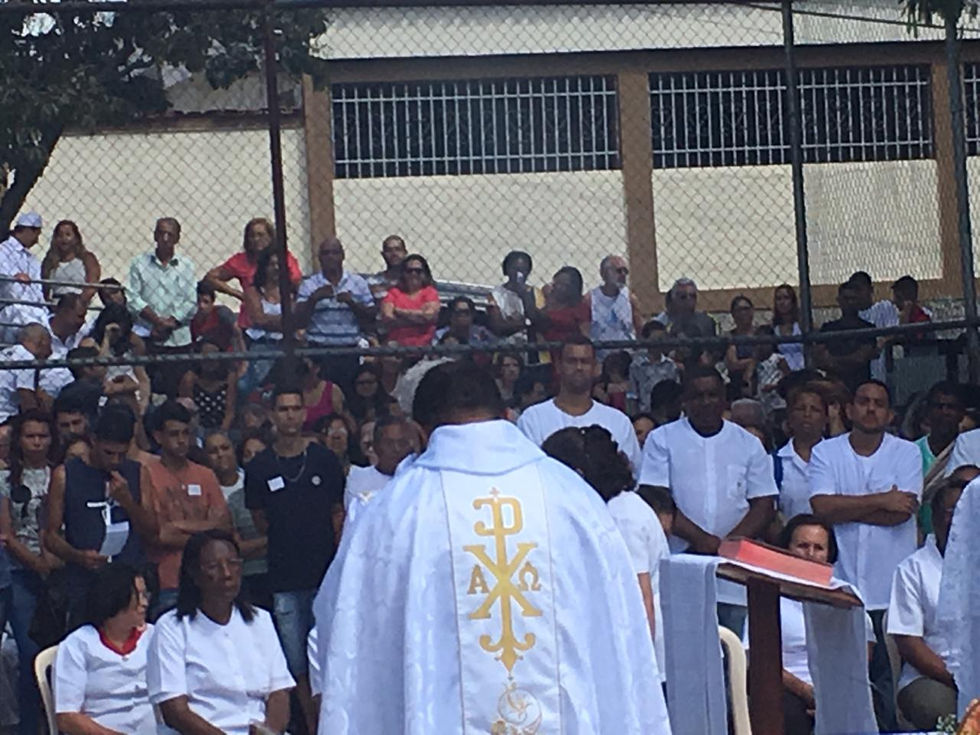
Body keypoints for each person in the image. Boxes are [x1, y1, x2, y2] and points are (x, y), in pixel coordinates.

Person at [312, 360, 670, 732]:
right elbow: (619, 631)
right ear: (505, 416)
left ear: (419, 432)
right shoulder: (573, 499)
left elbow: (345, 630)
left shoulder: (393, 513)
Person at [808, 379, 922, 730]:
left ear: (890, 414)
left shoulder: (906, 453)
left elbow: (902, 512)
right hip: (841, 587)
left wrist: (845, 507)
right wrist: (882, 500)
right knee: (846, 682)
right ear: (849, 409)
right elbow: (821, 507)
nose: (871, 408)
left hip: (891, 590)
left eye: (879, 403)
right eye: (863, 401)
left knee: (888, 685)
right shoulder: (825, 453)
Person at [639, 366, 777, 633]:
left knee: (734, 650)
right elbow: (657, 499)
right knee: (684, 647)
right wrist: (703, 541)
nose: (705, 402)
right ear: (684, 400)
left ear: (724, 399)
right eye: (697, 396)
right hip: (682, 561)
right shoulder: (662, 439)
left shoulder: (748, 444)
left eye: (712, 395)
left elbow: (764, 503)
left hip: (734, 572)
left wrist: (727, 546)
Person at [245, 385, 345, 734]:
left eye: (295, 408)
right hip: (284, 577)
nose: (289, 415)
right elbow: (260, 519)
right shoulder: (259, 467)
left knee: (330, 653)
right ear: (272, 415)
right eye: (283, 409)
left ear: (304, 413)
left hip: (324, 576)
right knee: (295, 660)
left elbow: (337, 511)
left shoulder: (323, 459)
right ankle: (313, 725)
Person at [542, 424, 668, 680]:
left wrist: (638, 672)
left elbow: (639, 597)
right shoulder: (606, 508)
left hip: (645, 657)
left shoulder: (622, 517)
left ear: (576, 474)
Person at [147, 530, 294, 735]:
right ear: (193, 574)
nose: (227, 574)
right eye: (214, 567)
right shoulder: (171, 628)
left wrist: (269, 732)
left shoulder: (260, 620)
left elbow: (279, 692)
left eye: (233, 563)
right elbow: (174, 710)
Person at [743, 514, 865, 735]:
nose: (810, 554)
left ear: (829, 554)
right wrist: (806, 692)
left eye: (819, 548)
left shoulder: (845, 595)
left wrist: (830, 696)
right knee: (785, 712)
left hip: (836, 688)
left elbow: (862, 653)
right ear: (787, 549)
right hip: (785, 688)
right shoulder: (766, 594)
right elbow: (754, 658)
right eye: (802, 546)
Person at [45, 406, 157, 627]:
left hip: (129, 581)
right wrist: (78, 556)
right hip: (85, 584)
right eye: (109, 453)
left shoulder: (138, 472)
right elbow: (50, 536)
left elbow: (153, 530)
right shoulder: (65, 475)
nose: (115, 460)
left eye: (121, 454)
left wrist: (128, 502)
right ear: (94, 440)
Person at [887, 470, 975, 730]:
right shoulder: (912, 569)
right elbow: (908, 642)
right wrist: (959, 680)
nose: (962, 520)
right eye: (953, 512)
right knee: (940, 709)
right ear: (935, 518)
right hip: (935, 678)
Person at [0, 410, 60, 735]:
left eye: (42, 436)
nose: (37, 442)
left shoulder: (60, 475)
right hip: (20, 571)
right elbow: (6, 534)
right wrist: (37, 564)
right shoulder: (4, 479)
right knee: (28, 652)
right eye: (30, 436)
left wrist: (52, 562)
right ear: (19, 440)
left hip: (59, 570)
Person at [144, 399, 232, 619]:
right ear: (158, 437)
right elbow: (159, 535)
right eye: (174, 434)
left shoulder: (205, 474)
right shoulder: (146, 475)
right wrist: (206, 529)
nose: (182, 440)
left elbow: (224, 528)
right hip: (168, 581)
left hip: (208, 580)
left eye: (186, 433)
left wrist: (177, 526)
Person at [53, 564, 156, 734]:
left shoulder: (154, 636)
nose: (144, 603)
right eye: (137, 596)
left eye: (145, 595)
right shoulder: (78, 645)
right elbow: (67, 717)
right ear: (115, 598)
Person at [517, 336, 642, 471]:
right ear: (558, 366)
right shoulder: (532, 419)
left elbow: (632, 472)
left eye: (585, 362)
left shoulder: (618, 421)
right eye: (571, 361)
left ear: (595, 367)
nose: (579, 367)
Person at [127, 218, 197, 397]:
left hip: (178, 339)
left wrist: (171, 322)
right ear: (154, 236)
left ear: (177, 238)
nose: (165, 238)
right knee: (146, 388)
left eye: (170, 234)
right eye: (161, 233)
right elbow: (132, 298)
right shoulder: (139, 263)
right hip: (147, 336)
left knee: (176, 391)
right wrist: (157, 322)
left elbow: (191, 301)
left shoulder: (186, 266)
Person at [295, 237, 375, 393]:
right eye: (326, 253)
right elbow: (298, 320)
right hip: (318, 352)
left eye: (335, 253)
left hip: (349, 350)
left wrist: (352, 303)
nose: (330, 257)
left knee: (349, 395)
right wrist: (313, 300)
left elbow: (371, 317)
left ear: (343, 255)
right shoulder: (309, 284)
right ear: (319, 258)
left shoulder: (358, 283)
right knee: (322, 395)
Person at [205, 430, 269, 609]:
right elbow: (235, 547)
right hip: (243, 578)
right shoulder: (214, 492)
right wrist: (270, 540)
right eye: (213, 451)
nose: (220, 454)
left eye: (225, 448)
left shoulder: (259, 487)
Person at [205, 217, 302, 329]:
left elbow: (297, 281)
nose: (256, 239)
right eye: (251, 236)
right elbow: (210, 278)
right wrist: (239, 295)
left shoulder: (283, 257)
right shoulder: (241, 260)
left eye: (261, 235)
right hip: (251, 320)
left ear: (270, 237)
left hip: (282, 316)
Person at [486, 250, 550, 375]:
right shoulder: (496, 294)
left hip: (534, 353)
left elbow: (541, 323)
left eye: (523, 270)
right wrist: (527, 323)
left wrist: (525, 297)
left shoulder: (535, 293)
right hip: (506, 353)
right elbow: (498, 327)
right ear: (506, 270)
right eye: (514, 269)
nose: (519, 274)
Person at [344, 415, 417, 524]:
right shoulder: (357, 478)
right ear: (375, 446)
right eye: (389, 443)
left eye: (402, 443)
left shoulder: (418, 480)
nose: (396, 449)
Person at [915, 382, 965, 533]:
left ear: (961, 414)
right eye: (939, 406)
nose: (945, 412)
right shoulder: (911, 452)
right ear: (928, 412)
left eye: (951, 407)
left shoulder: (969, 451)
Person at [241, 247, 289, 397]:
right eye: (271, 264)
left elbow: (297, 319)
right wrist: (285, 321)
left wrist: (270, 320)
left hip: (286, 345)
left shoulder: (290, 291)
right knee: (260, 391)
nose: (276, 268)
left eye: (278, 264)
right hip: (263, 346)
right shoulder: (253, 291)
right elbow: (258, 319)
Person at [775, 386, 828, 520]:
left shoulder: (839, 458)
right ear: (790, 417)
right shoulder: (774, 463)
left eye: (815, 410)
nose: (807, 414)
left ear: (826, 418)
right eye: (800, 409)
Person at [815, 281, 877, 392]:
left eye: (853, 299)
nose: (850, 302)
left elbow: (861, 358)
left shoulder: (868, 328)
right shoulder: (828, 328)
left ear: (859, 301)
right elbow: (820, 360)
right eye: (846, 299)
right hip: (833, 386)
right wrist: (849, 360)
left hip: (860, 386)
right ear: (839, 300)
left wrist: (833, 360)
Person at [0, 212, 47, 340]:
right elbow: (9, 289)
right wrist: (14, 277)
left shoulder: (32, 259)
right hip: (11, 308)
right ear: (28, 230)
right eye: (36, 234)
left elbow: (37, 289)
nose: (37, 240)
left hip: (35, 308)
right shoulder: (2, 250)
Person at [587, 255, 642, 358]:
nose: (623, 275)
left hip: (627, 355)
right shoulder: (590, 299)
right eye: (619, 271)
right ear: (604, 274)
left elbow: (639, 328)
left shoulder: (630, 298)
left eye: (625, 271)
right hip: (600, 357)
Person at [380, 253, 440, 348]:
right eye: (409, 271)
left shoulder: (430, 292)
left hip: (423, 347)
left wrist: (400, 312)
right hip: (396, 346)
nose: (413, 274)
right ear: (403, 273)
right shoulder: (394, 292)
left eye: (418, 271)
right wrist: (420, 319)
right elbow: (388, 317)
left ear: (424, 273)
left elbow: (429, 316)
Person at [178, 339, 238, 432]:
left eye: (214, 355)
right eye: (206, 356)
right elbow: (187, 412)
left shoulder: (229, 378)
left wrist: (222, 432)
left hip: (222, 428)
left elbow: (230, 411)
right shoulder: (190, 379)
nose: (210, 360)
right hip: (197, 428)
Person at [0, 322, 53, 422]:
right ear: (43, 342)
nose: (50, 352)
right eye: (50, 346)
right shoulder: (27, 358)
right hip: (4, 417)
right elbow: (27, 399)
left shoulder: (6, 353)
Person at [40, 293, 89, 397]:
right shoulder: (38, 332)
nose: (83, 321)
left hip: (76, 390)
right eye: (80, 316)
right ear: (64, 312)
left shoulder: (83, 333)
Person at [40, 220, 101, 303]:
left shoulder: (87, 258)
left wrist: (79, 304)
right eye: (60, 235)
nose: (64, 239)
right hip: (56, 304)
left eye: (68, 235)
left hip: (78, 303)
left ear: (76, 238)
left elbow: (92, 286)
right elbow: (44, 289)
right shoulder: (49, 261)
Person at [629, 320, 680, 414]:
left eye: (662, 339)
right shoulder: (637, 366)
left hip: (667, 413)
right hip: (645, 413)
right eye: (655, 340)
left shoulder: (670, 365)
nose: (658, 343)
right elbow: (632, 396)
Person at [540, 266, 590, 351]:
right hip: (545, 350)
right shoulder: (544, 301)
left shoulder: (580, 308)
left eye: (564, 285)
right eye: (556, 283)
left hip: (569, 351)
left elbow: (585, 335)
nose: (558, 287)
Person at [654, 277, 718, 339]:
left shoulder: (706, 321)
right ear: (673, 299)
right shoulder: (659, 324)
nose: (688, 300)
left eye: (693, 296)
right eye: (683, 297)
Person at [296, 357, 345, 433]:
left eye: (306, 369)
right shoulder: (295, 392)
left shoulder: (332, 390)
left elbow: (341, 420)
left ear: (316, 368)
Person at [190, 280, 238, 352]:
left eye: (206, 302)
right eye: (198, 301)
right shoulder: (193, 320)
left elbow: (237, 333)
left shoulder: (222, 313)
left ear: (212, 302)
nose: (201, 306)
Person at [725, 295, 757, 400]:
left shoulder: (760, 333)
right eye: (739, 310)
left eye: (746, 309)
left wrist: (747, 363)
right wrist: (751, 362)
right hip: (737, 381)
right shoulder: (730, 336)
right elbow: (733, 364)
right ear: (733, 314)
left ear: (752, 311)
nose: (743, 313)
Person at [365, 234, 408, 304]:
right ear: (383, 254)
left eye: (398, 249)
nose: (394, 254)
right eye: (389, 250)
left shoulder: (414, 279)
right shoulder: (373, 281)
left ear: (405, 253)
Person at [772, 284, 805, 372]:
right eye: (778, 299)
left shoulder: (802, 325)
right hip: (784, 372)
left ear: (792, 301)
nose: (782, 302)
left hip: (804, 369)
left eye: (786, 298)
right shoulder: (774, 329)